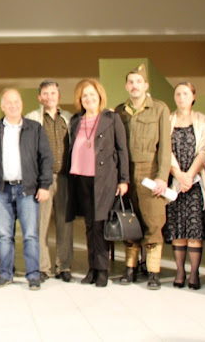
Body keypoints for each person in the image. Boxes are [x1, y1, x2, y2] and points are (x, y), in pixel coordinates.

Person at [66, 79, 129, 288]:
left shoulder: (111, 118)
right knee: (89, 225)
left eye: (92, 94)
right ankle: (92, 268)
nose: (89, 99)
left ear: (100, 96)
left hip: (104, 179)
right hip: (81, 179)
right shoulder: (76, 121)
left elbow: (122, 150)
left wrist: (124, 179)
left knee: (100, 224)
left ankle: (102, 270)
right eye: (84, 96)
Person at [0, 88, 53, 290]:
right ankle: (5, 274)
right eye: (8, 102)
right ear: (2, 106)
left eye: (16, 101)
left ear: (21, 104)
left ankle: (33, 276)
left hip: (27, 190)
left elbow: (46, 158)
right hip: (2, 190)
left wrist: (44, 185)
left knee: (31, 235)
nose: (13, 105)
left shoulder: (34, 128)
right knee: (4, 235)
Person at [115, 64, 171, 289]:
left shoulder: (159, 109)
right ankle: (130, 268)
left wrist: (162, 177)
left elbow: (165, 147)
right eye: (131, 82)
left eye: (138, 82)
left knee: (154, 222)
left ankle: (153, 271)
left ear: (146, 85)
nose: (134, 86)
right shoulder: (120, 111)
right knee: (130, 220)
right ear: (126, 86)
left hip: (150, 172)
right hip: (127, 173)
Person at [163, 82, 205, 290]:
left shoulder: (202, 120)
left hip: (195, 182)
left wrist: (189, 176)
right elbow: (164, 150)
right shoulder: (168, 120)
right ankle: (180, 272)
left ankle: (193, 273)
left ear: (193, 96)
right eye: (178, 94)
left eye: (185, 93)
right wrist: (179, 175)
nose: (181, 97)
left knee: (194, 229)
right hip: (175, 182)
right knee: (177, 230)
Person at [26, 80, 74, 283]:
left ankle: (64, 266)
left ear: (58, 96)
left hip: (65, 178)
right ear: (39, 97)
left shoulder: (69, 118)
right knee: (41, 225)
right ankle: (43, 267)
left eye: (53, 93)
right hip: (43, 181)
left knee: (65, 224)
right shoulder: (32, 118)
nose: (49, 97)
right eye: (45, 93)